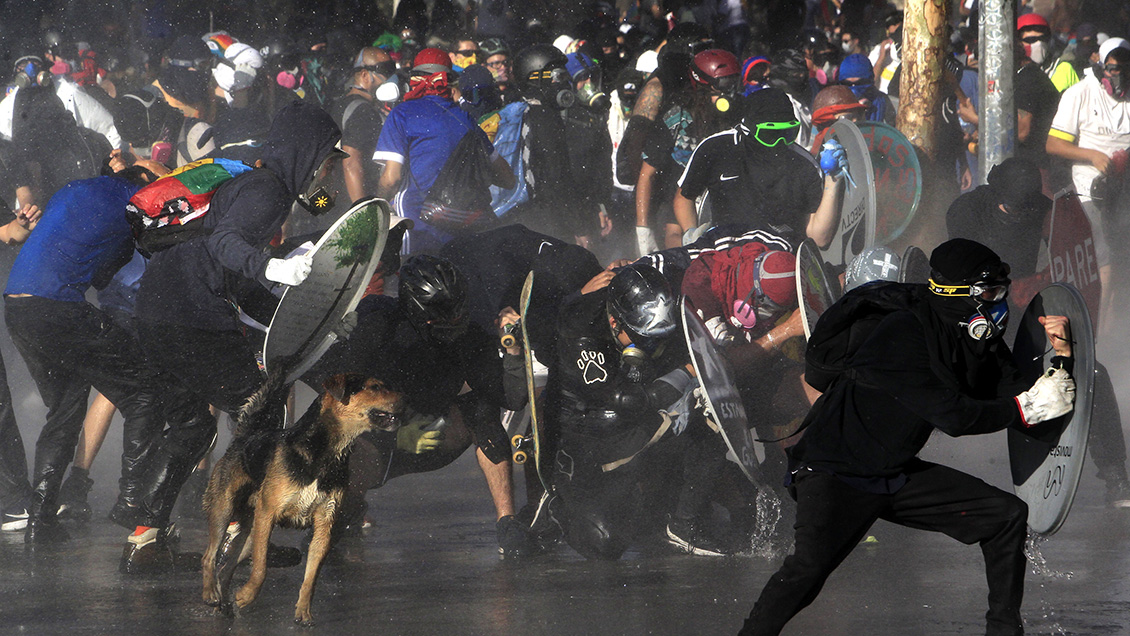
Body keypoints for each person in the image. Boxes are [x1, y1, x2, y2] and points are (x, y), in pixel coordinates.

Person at [739, 238, 1077, 636]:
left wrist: (1061, 358)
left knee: (1005, 516)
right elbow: (955, 416)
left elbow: (1024, 402)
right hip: (834, 470)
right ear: (957, 293)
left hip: (894, 471)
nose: (998, 302)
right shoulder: (901, 330)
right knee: (807, 570)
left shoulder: (977, 340)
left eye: (1001, 291)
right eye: (990, 293)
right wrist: (1027, 407)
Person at [122, 101, 343, 572]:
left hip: (155, 316)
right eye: (328, 160)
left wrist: (311, 313)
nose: (328, 172)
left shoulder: (251, 182)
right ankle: (239, 537)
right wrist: (272, 266)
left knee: (193, 427)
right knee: (261, 411)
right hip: (191, 317)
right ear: (307, 152)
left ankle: (144, 538)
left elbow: (236, 277)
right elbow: (227, 246)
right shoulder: (267, 189)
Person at [2, 164, 173, 544]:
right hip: (57, 306)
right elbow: (105, 274)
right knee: (145, 391)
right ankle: (131, 503)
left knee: (65, 408)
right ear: (143, 183)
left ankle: (41, 519)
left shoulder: (73, 187)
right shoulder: (135, 202)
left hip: (17, 306)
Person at [541, 264, 735, 559]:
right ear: (615, 322)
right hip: (589, 430)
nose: (651, 344)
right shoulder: (582, 329)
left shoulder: (664, 311)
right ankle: (560, 504)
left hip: (643, 408)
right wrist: (688, 370)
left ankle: (683, 522)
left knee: (707, 418)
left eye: (659, 336)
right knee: (605, 544)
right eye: (643, 337)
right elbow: (626, 401)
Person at [374, 47, 513, 253]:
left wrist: (376, 204)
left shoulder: (401, 114)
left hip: (416, 228)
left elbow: (391, 179)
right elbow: (508, 179)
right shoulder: (466, 119)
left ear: (415, 78)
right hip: (464, 231)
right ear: (448, 81)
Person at [672, 87, 844, 249]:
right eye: (770, 134)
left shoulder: (804, 164)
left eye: (787, 133)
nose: (779, 142)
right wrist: (690, 234)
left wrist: (833, 180)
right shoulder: (716, 149)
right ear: (748, 129)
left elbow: (819, 238)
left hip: (780, 253)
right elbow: (684, 197)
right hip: (724, 250)